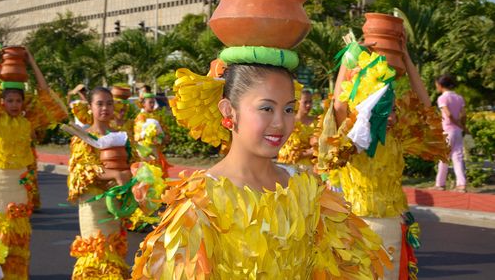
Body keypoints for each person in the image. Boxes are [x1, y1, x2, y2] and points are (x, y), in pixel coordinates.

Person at [131, 58, 391, 279]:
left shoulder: (309, 190)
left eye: (289, 109)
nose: (280, 123)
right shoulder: (199, 204)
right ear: (229, 112)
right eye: (266, 108)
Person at [318, 42, 448, 280]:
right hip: (356, 225)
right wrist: (349, 60)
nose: (389, 116)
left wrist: (406, 59)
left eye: (393, 110)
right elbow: (338, 106)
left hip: (393, 227)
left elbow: (426, 108)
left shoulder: (399, 140)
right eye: (382, 110)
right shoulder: (353, 142)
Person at [0, 47, 68, 279]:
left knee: (19, 232)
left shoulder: (29, 120)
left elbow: (45, 93)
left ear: (24, 103)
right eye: (10, 100)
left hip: (20, 180)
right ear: (2, 102)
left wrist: (31, 61)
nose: (14, 104)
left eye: (18, 100)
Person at [67, 87, 134, 279]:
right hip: (93, 205)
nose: (105, 108)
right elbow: (80, 172)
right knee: (97, 256)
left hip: (116, 204)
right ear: (90, 107)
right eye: (100, 103)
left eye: (109, 103)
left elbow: (133, 163)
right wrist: (115, 174)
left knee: (114, 254)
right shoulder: (82, 137)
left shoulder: (121, 137)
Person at [434, 75, 467, 192]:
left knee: (444, 158)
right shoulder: (459, 97)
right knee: (457, 157)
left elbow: (448, 115)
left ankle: (440, 184)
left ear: (440, 85)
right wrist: (461, 126)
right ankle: (461, 184)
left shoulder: (442, 98)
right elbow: (463, 114)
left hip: (448, 130)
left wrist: (456, 123)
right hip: (458, 131)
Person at [134, 92, 171, 177]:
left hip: (156, 150)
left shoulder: (157, 116)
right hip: (144, 150)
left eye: (153, 102)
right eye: (150, 102)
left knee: (158, 174)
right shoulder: (140, 117)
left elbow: (165, 131)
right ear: (143, 104)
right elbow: (138, 135)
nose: (152, 104)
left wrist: (164, 137)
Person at [277, 89, 317, 168]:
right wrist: (310, 152)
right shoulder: (289, 122)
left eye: (310, 102)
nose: (308, 105)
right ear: (297, 103)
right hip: (291, 168)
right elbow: (287, 153)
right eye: (305, 102)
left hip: (312, 169)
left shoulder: (316, 123)